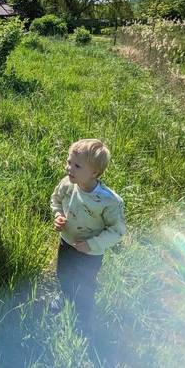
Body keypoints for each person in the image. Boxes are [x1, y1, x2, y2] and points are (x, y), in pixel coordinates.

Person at [50, 139, 126, 333]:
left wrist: (92, 244)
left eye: (76, 165)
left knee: (85, 282)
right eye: (68, 162)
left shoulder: (108, 201)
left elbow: (116, 231)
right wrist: (58, 215)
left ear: (94, 172)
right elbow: (56, 200)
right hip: (67, 241)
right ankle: (65, 295)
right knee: (63, 272)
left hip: (90, 252)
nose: (69, 168)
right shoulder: (67, 184)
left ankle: (83, 315)